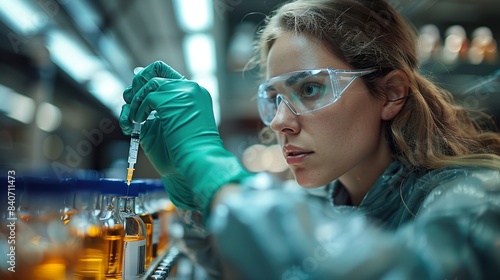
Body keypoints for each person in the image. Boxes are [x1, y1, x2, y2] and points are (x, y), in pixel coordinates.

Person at [119, 0, 500, 279]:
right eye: (274, 99)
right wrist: (195, 198)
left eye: (312, 88)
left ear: (390, 94)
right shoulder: (321, 203)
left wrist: (212, 169)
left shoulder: (478, 200)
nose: (281, 122)